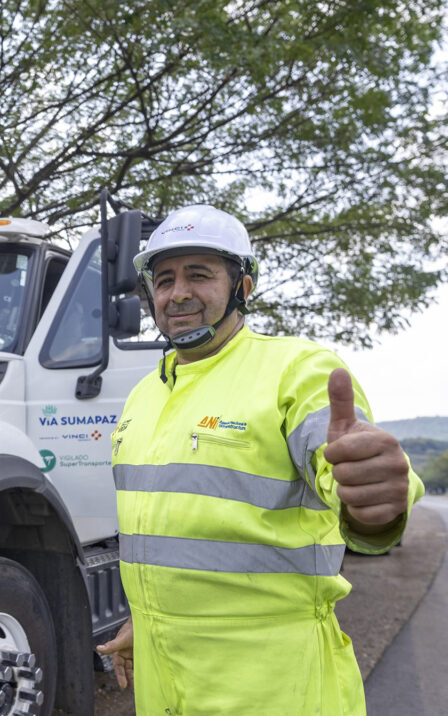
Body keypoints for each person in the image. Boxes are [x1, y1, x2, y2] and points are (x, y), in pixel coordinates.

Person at [96, 204, 424, 714]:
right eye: (163, 280)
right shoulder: (145, 393)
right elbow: (169, 530)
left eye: (198, 275)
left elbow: (347, 476)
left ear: (242, 289)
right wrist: (149, 616)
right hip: (163, 681)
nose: (177, 292)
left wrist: (373, 504)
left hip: (274, 684)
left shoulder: (298, 369)